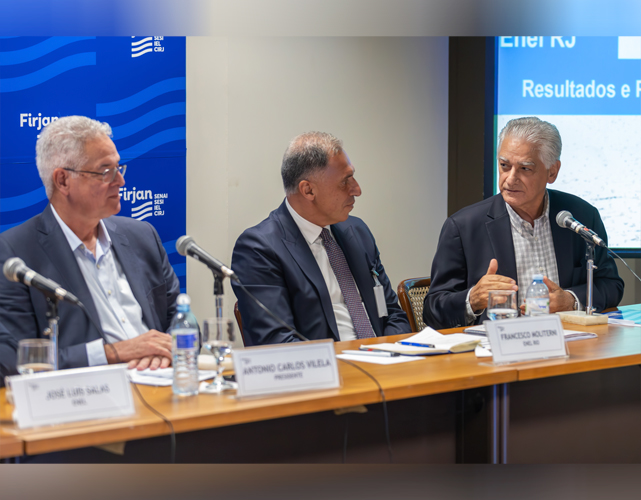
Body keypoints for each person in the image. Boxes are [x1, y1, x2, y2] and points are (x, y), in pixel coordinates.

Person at [0, 116, 180, 376]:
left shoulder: (143, 236)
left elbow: (181, 315)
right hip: (90, 397)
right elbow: (12, 359)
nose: (121, 181)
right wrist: (113, 353)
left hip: (165, 381)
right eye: (105, 171)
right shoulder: (15, 253)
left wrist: (167, 350)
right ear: (63, 181)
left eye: (119, 168)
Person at [424, 117, 624, 329]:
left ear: (552, 172)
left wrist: (570, 300)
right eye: (504, 166)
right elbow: (433, 310)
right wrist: (473, 299)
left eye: (525, 169)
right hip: (496, 350)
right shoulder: (463, 227)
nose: (510, 179)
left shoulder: (581, 216)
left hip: (571, 345)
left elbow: (610, 285)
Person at [231, 131, 410, 345]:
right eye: (345, 181)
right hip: (328, 371)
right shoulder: (259, 248)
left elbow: (392, 313)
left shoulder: (357, 231)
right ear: (308, 190)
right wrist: (351, 364)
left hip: (384, 366)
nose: (357, 189)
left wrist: (388, 353)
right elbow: (277, 342)